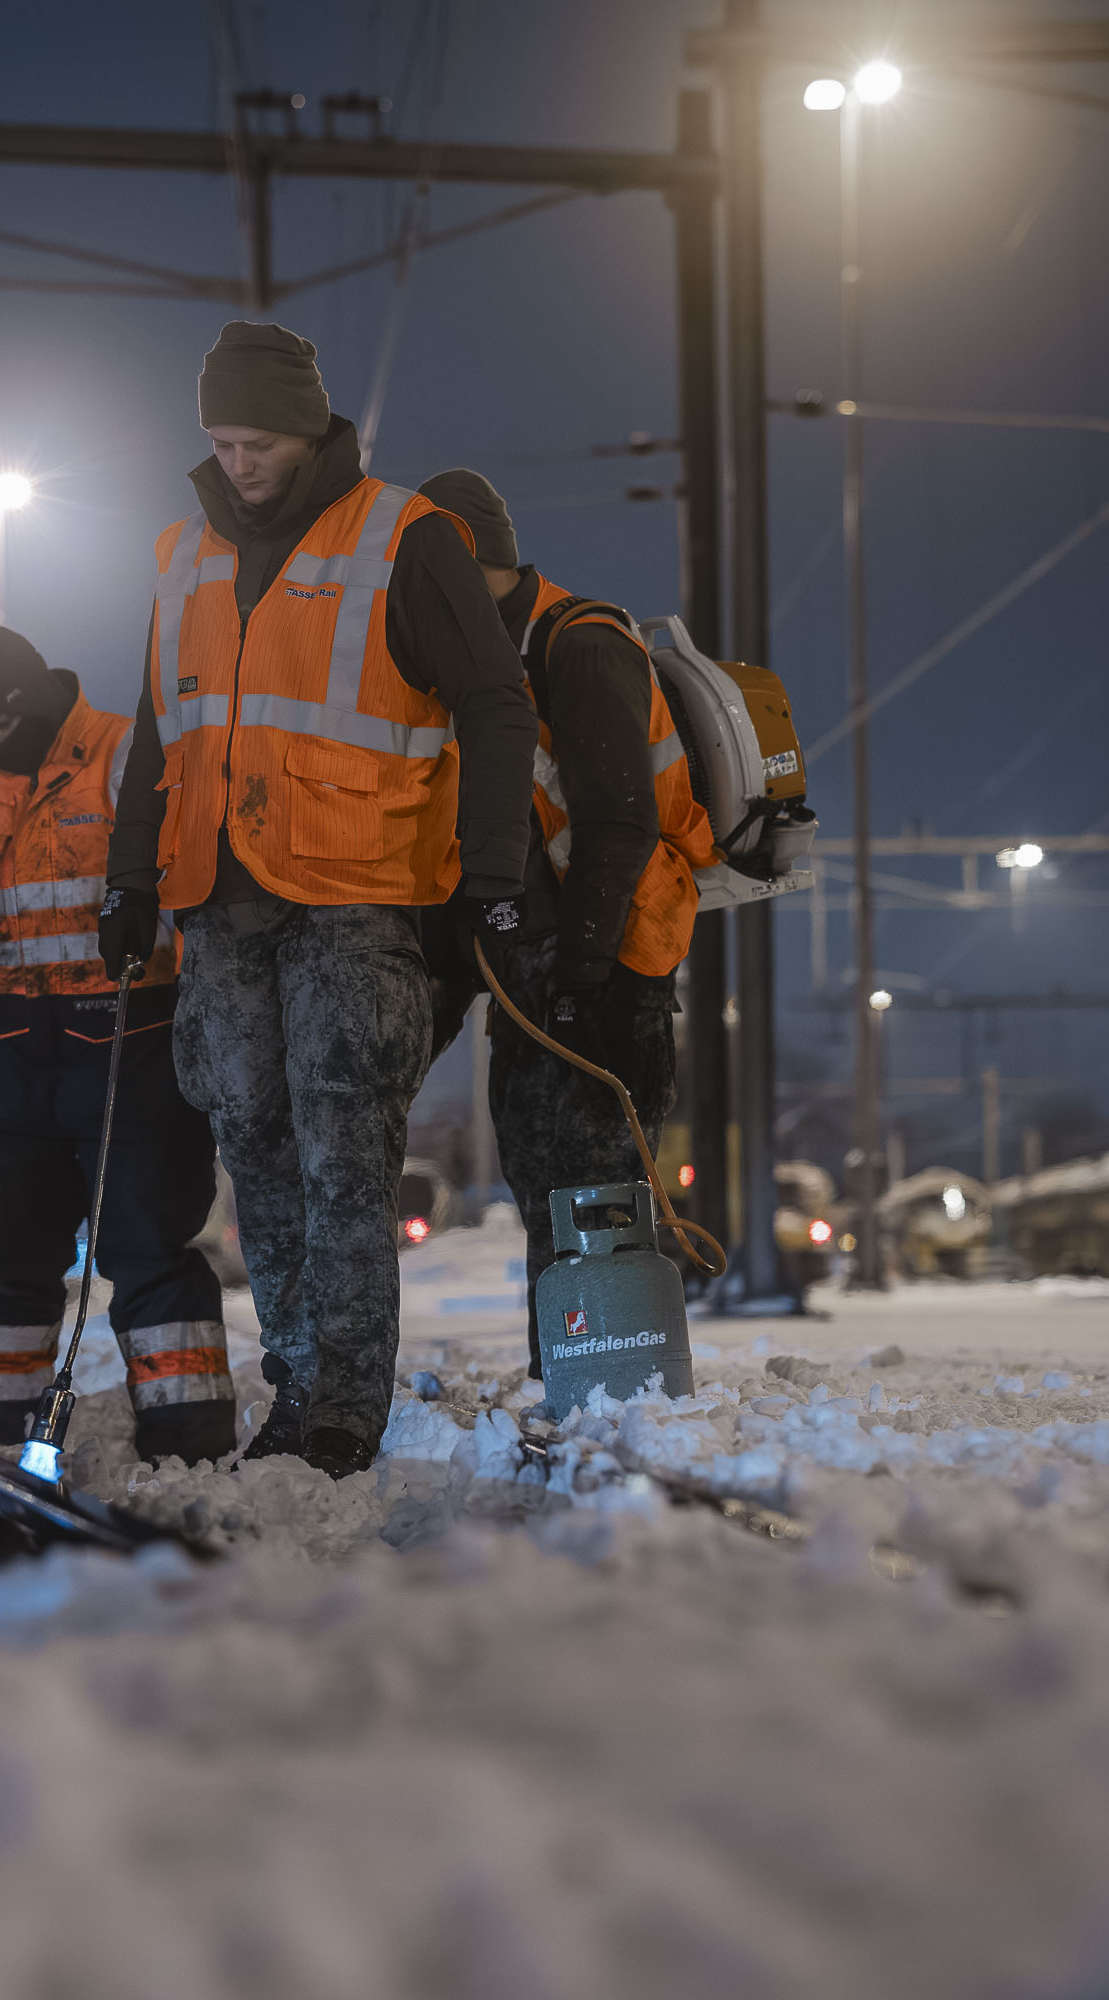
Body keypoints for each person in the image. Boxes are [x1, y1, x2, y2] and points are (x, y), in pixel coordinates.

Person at [100, 322, 538, 1478]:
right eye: (219, 440)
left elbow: (497, 702)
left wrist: (495, 873)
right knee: (252, 1134)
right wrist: (129, 878)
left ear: (307, 428)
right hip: (218, 897)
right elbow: (158, 727)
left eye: (257, 440)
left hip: (356, 892)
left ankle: (345, 1402)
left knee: (346, 1140)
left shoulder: (405, 537)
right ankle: (296, 1373)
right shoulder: (179, 554)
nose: (237, 460)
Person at [0, 627, 234, 1465]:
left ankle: (187, 1441)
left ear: (29, 705)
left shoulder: (123, 757)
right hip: (11, 1061)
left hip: (130, 1048)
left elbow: (195, 895)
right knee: (7, 1257)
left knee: (148, 1247)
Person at [416, 469, 716, 1378]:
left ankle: (623, 1381)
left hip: (614, 946)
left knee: (598, 1177)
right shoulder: (484, 658)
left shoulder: (578, 646)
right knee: (543, 1165)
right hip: (546, 949)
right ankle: (576, 1369)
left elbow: (620, 823)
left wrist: (582, 974)